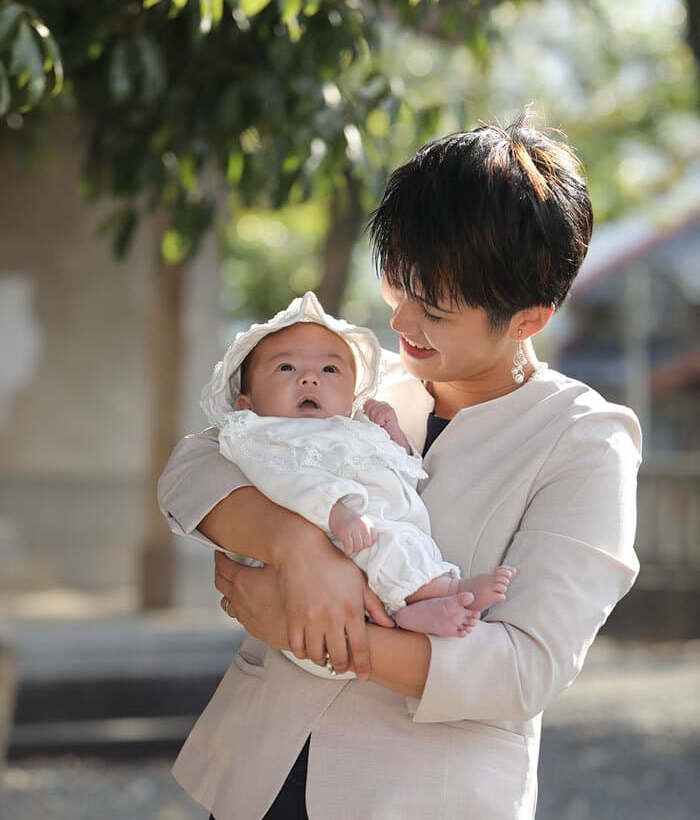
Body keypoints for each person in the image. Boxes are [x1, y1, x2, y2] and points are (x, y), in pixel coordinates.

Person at [158, 113, 642, 820]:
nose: (402, 323)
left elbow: (521, 669)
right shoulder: (355, 381)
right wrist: (294, 550)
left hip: (418, 798)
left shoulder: (584, 442)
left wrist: (313, 628)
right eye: (399, 284)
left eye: (436, 310)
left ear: (530, 318)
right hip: (257, 780)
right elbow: (196, 464)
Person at [199, 290, 514, 655]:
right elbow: (284, 480)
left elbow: (404, 478)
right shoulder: (260, 434)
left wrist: (394, 436)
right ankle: (443, 592)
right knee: (386, 543)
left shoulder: (355, 427)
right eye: (286, 368)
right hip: (329, 540)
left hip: (366, 538)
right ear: (246, 402)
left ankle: (413, 613)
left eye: (329, 369)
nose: (309, 379)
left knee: (403, 542)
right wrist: (337, 513)